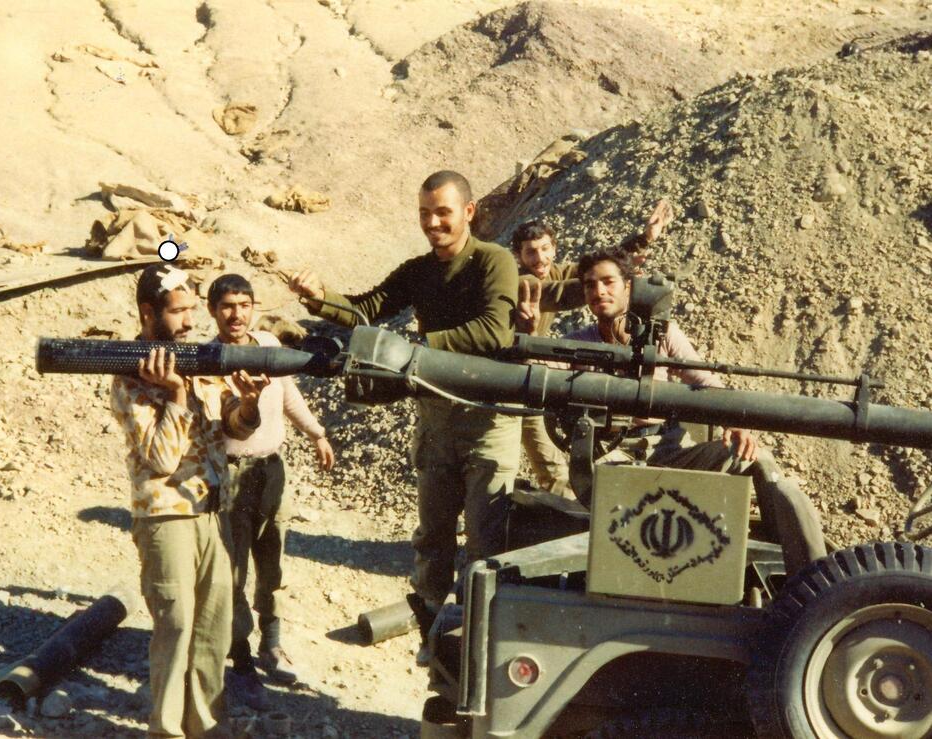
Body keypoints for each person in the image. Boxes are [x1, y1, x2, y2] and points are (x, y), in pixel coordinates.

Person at [288, 170, 520, 660]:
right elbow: (368, 308)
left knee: (485, 544)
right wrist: (319, 298)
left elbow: (493, 331)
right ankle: (435, 641)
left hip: (486, 420)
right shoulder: (419, 270)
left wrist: (417, 348)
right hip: (435, 419)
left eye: (443, 213)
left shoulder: (494, 261)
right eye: (424, 214)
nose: (432, 223)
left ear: (469, 212)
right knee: (433, 539)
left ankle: (481, 648)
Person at [521, 246, 826, 577]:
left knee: (757, 459)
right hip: (611, 455)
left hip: (669, 449)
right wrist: (529, 333)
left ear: (628, 286)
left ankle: (812, 573)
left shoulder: (663, 334)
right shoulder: (579, 342)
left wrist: (735, 423)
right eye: (590, 285)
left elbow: (704, 381)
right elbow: (537, 372)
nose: (599, 291)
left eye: (608, 282)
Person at [111, 263, 268, 738]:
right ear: (148, 312)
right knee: (176, 626)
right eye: (178, 311)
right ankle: (167, 730)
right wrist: (177, 394)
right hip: (166, 515)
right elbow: (161, 459)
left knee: (213, 630)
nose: (188, 321)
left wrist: (249, 404)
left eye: (191, 310)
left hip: (211, 513)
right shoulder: (129, 376)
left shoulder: (197, 361)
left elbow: (232, 426)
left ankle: (206, 728)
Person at [206, 273, 335, 709]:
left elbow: (288, 394)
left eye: (244, 305)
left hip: (271, 470)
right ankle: (240, 658)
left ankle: (272, 644)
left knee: (273, 560)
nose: (236, 314)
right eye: (227, 306)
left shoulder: (267, 345)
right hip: (231, 476)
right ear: (213, 310)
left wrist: (317, 433)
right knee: (233, 569)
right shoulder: (210, 359)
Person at [510, 201, 673, 497]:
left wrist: (644, 239)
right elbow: (564, 292)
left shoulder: (555, 271)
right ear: (518, 256)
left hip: (531, 365)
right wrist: (606, 288)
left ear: (555, 248)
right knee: (549, 466)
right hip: (511, 377)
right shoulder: (522, 281)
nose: (540, 257)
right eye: (531, 252)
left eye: (545, 249)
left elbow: (598, 263)